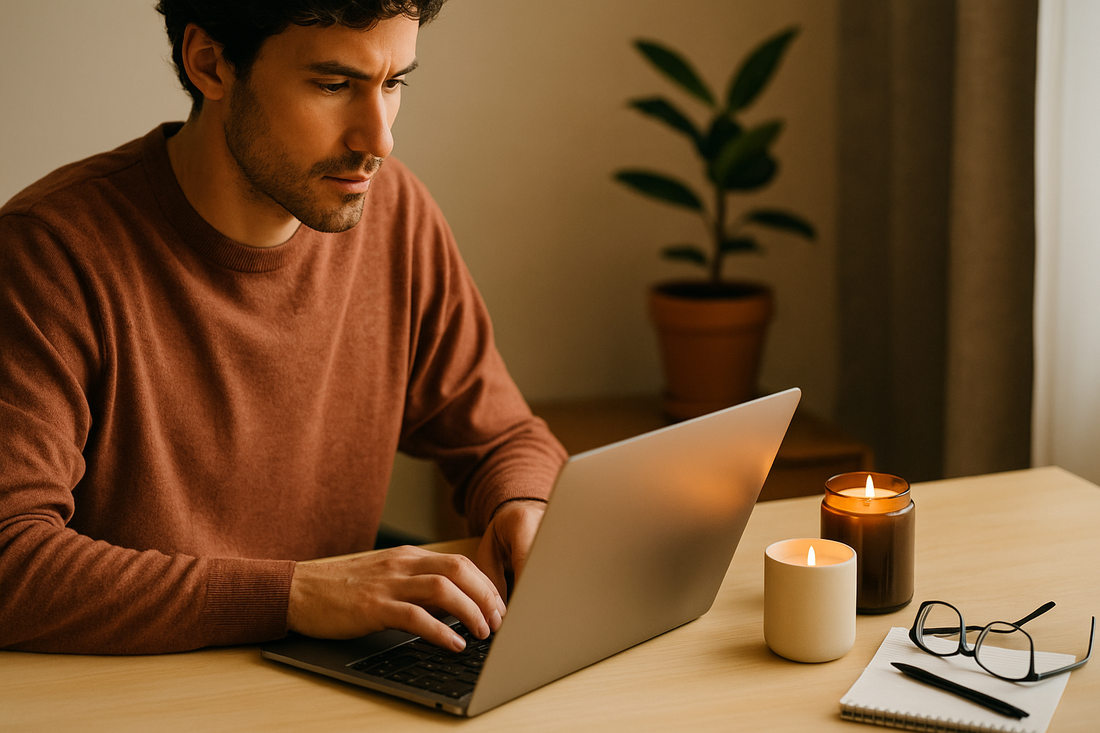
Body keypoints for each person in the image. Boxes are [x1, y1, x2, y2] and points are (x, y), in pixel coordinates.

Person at [0, 0, 567, 656]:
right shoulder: (49, 254)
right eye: (333, 86)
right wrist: (297, 594)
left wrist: (523, 504)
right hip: (139, 695)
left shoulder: (396, 214)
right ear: (209, 64)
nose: (377, 139)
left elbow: (500, 436)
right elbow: (11, 557)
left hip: (330, 684)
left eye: (393, 84)